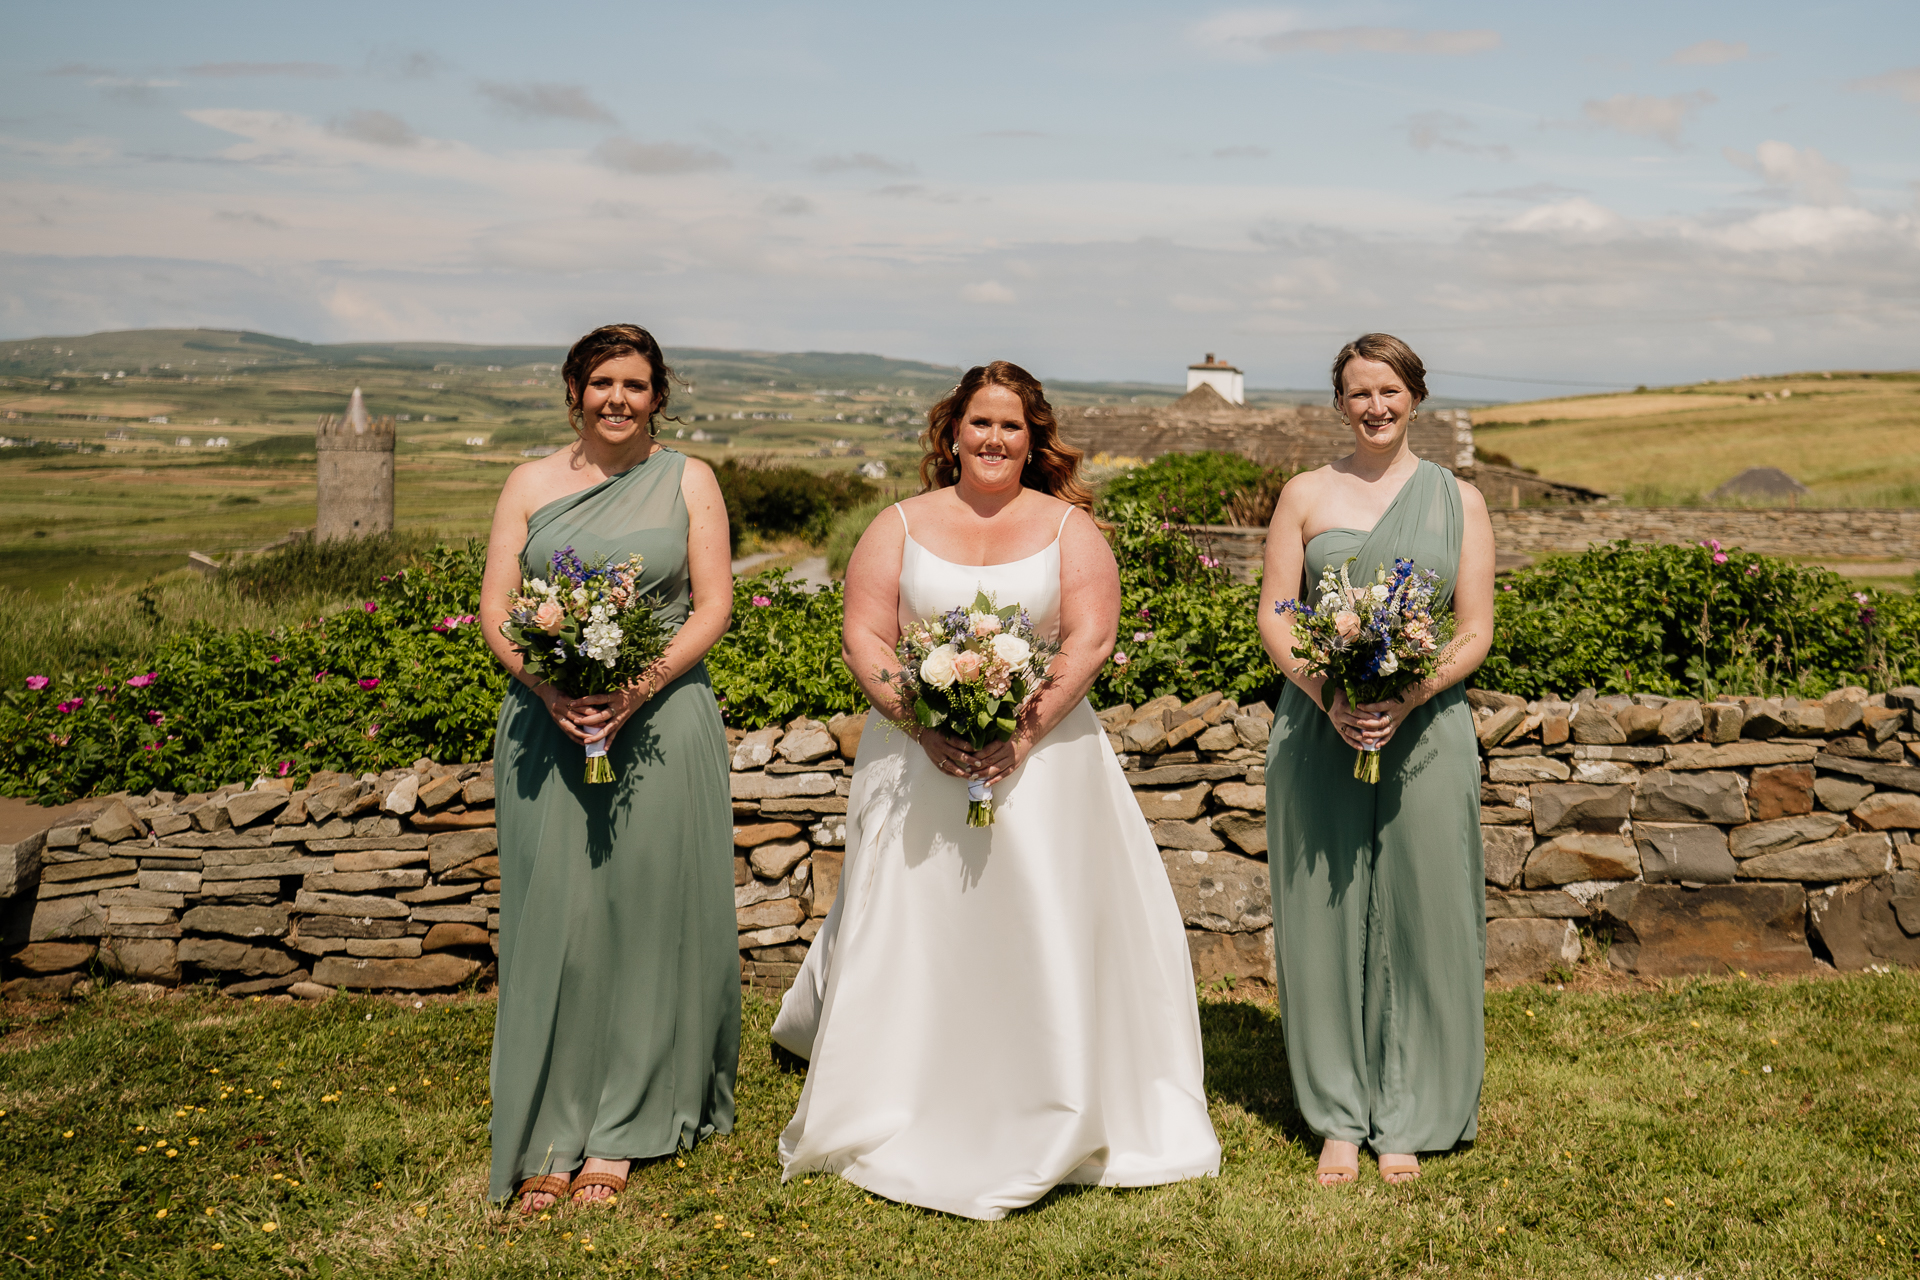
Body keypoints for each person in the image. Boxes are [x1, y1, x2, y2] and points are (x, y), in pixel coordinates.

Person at [770, 360, 1221, 1220]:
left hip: (1044, 763)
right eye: (980, 422)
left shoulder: (1068, 528)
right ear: (952, 432)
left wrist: (1020, 730)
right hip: (916, 761)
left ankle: (1051, 1087)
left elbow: (1088, 640)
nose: (994, 439)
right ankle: (901, 1081)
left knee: (1039, 917)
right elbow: (865, 632)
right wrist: (922, 720)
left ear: (1033, 438)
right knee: (916, 915)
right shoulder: (896, 524)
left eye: (1012, 426)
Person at [479, 323, 739, 1212]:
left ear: (658, 396)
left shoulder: (690, 480)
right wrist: (551, 689)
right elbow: (498, 610)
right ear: (574, 391)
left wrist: (637, 685)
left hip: (663, 723)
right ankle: (552, 1124)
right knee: (557, 921)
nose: (617, 399)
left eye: (635, 384)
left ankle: (624, 1127)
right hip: (545, 725)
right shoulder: (528, 483)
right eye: (601, 383)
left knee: (645, 917)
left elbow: (713, 607)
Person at [1257, 333, 1496, 1187]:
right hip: (1318, 724)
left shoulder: (1459, 500)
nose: (1376, 407)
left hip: (1425, 728)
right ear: (1339, 403)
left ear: (1416, 398)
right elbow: (1278, 615)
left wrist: (1407, 695)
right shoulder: (1304, 495)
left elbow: (1475, 628)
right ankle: (1339, 1116)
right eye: (1359, 393)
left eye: (1390, 390)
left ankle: (1412, 1113)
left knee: (1425, 912)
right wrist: (1329, 695)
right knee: (1324, 909)